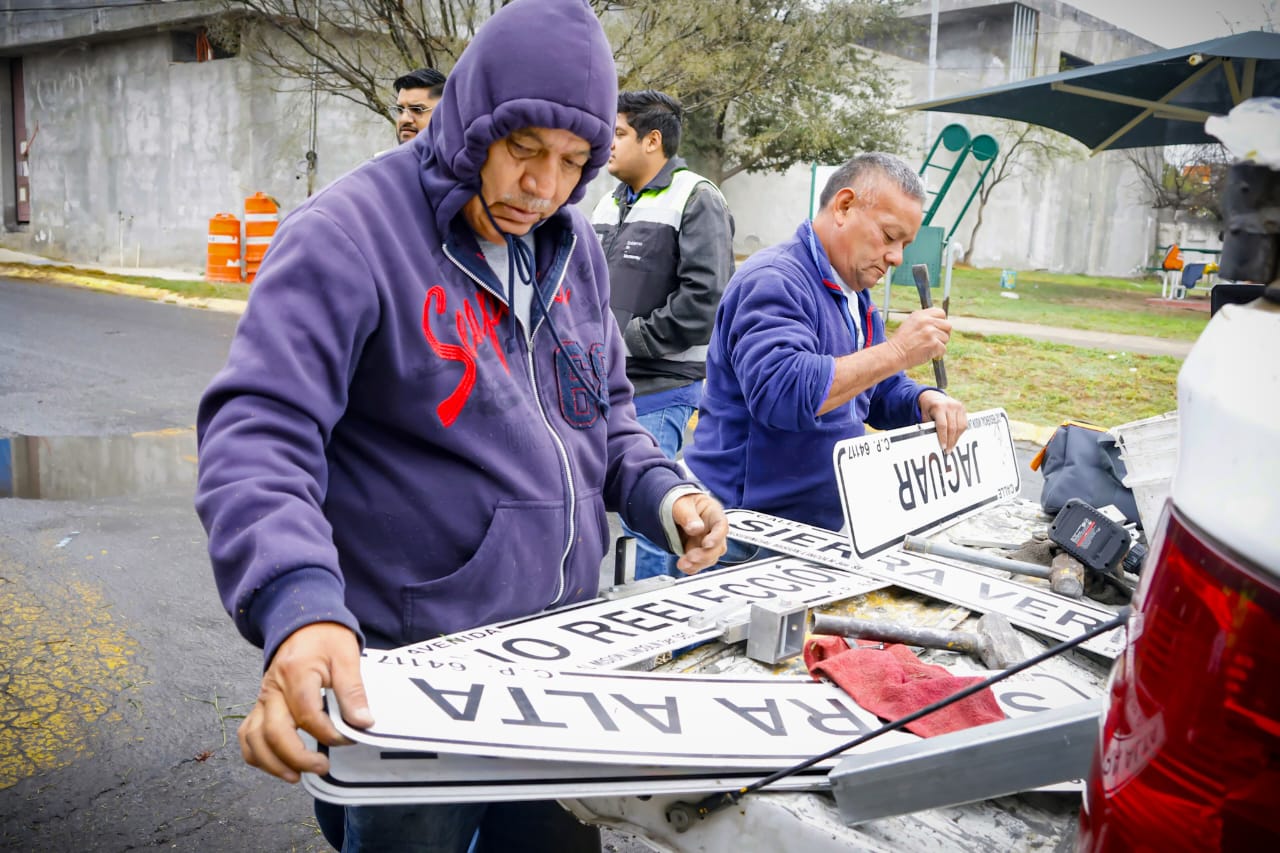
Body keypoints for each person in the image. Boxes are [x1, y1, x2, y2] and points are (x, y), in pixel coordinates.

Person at [193, 1, 727, 851]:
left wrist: (662, 492)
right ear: (473, 119)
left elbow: (603, 411)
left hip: (558, 662)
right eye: (523, 151)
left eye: (573, 162)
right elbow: (259, 433)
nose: (544, 188)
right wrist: (297, 605)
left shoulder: (570, 243)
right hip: (416, 679)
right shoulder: (344, 235)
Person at [685, 151, 967, 542]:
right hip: (742, 530)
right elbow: (784, 393)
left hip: (813, 527)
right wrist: (899, 351)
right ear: (844, 206)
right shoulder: (774, 281)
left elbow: (874, 386)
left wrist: (922, 400)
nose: (896, 257)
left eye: (905, 243)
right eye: (889, 236)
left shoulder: (853, 292)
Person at [591, 90, 735, 579]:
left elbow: (703, 303)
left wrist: (623, 341)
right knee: (608, 524)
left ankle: (656, 645)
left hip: (659, 391)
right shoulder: (605, 205)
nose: (606, 142)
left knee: (651, 523)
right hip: (603, 392)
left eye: (619, 133)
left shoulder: (696, 197)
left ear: (653, 140)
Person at [391, 66, 446, 144]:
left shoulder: (463, 155)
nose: (404, 119)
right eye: (400, 110)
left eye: (417, 110)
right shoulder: (382, 156)